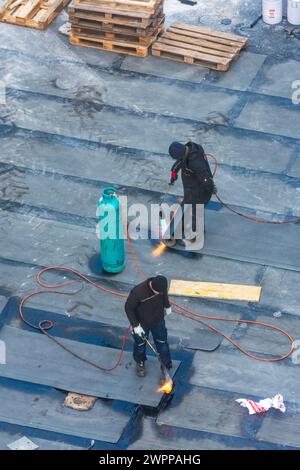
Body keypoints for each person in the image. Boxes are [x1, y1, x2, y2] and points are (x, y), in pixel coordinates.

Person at [167, 141, 217, 248]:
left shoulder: (196, 162)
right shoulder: (186, 150)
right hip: (191, 188)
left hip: (200, 190)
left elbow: (205, 177)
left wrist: (210, 188)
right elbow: (179, 162)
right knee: (187, 207)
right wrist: (174, 172)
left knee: (194, 211)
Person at [125, 275, 172, 378]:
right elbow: (128, 308)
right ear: (152, 287)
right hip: (141, 323)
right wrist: (135, 325)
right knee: (140, 345)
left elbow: (164, 294)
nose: (160, 294)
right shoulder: (138, 292)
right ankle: (140, 362)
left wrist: (167, 305)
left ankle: (166, 366)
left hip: (158, 320)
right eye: (158, 293)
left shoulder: (161, 287)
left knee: (162, 344)